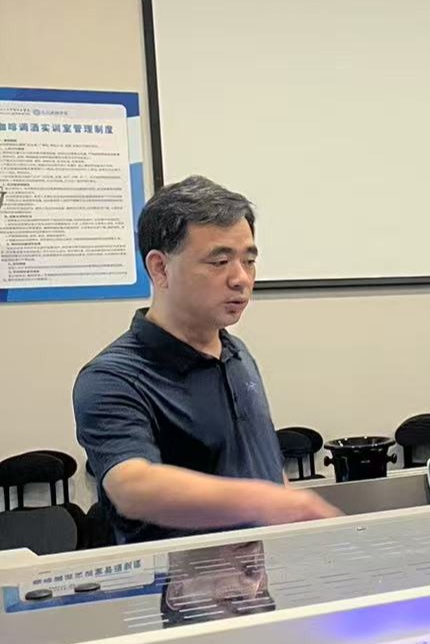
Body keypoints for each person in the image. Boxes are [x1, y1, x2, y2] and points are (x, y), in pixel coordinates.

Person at [73, 176, 339, 546]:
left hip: (259, 573)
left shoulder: (237, 354)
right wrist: (266, 501)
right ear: (160, 268)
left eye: (249, 261)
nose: (241, 279)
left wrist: (285, 509)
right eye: (220, 261)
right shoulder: (113, 377)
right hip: (177, 581)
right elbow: (132, 486)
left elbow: (262, 464)